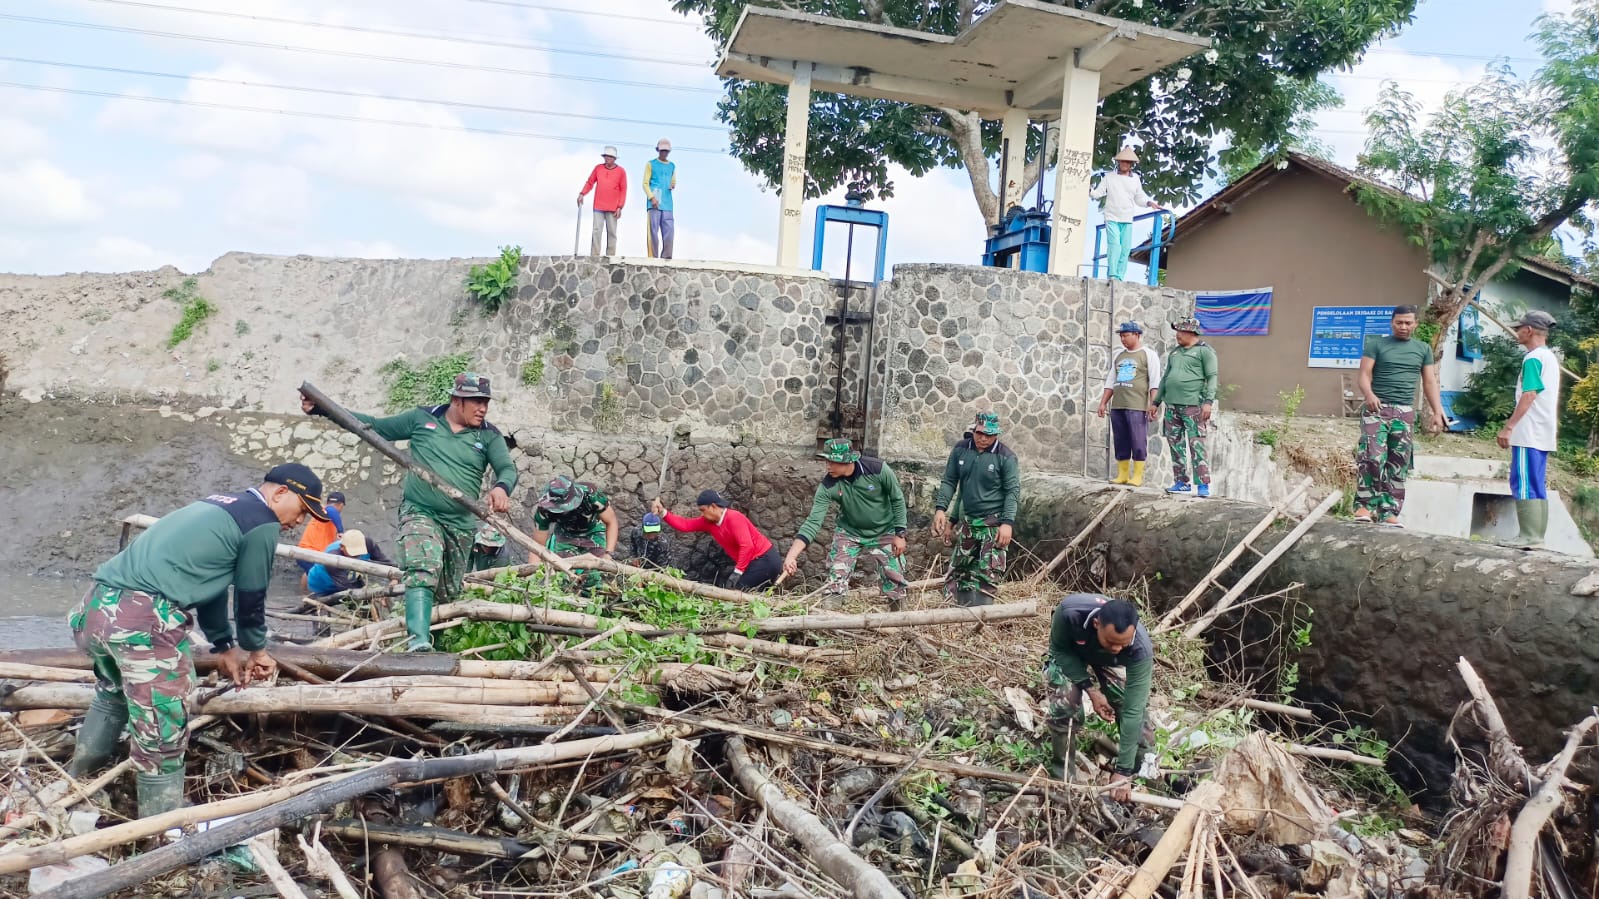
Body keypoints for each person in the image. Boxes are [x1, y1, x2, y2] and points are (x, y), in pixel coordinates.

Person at [66, 463, 329, 817]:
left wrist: (225, 646)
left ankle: (75, 788)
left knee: (113, 695)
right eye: (302, 511)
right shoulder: (261, 521)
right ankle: (158, 830)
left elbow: (210, 586)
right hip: (141, 620)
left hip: (96, 608)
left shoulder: (220, 506)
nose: (300, 522)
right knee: (162, 726)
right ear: (281, 493)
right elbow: (251, 596)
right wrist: (256, 649)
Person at [301, 373, 517, 652]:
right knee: (421, 566)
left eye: (485, 402)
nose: (483, 408)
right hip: (420, 511)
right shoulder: (422, 419)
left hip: (460, 524)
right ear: (456, 400)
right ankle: (418, 640)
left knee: (447, 591)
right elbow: (373, 426)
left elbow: (507, 469)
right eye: (476, 401)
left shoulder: (488, 435)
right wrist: (323, 409)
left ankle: (434, 649)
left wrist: (501, 487)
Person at [1043, 594, 1156, 800]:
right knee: (1066, 704)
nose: (1117, 648)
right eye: (1112, 641)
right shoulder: (1070, 613)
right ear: (1096, 624)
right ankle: (1062, 779)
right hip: (1071, 654)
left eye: (1123, 644)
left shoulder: (1140, 648)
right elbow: (1058, 650)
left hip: (1109, 663)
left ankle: (1142, 776)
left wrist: (1123, 771)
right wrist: (1090, 689)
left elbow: (1133, 709)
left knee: (1140, 725)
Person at [783, 438, 910, 610]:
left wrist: (900, 533)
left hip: (884, 531)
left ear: (848, 460)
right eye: (827, 461)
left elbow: (897, 498)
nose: (828, 466)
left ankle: (899, 618)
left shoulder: (878, 469)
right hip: (849, 532)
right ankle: (829, 619)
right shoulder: (828, 485)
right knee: (836, 578)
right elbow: (813, 522)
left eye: (833, 461)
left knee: (895, 578)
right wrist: (792, 556)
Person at [1354, 305, 1446, 526]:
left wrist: (1437, 411)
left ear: (1415, 324)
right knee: (1372, 457)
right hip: (1377, 409)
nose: (1403, 327)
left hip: (1404, 412)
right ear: (1392, 323)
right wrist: (1369, 394)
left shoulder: (1423, 348)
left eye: (1408, 323)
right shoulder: (1376, 344)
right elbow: (1364, 374)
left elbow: (1430, 381)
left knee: (1398, 462)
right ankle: (1364, 507)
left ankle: (1388, 512)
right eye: (1399, 322)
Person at [931, 412, 1021, 607]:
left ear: (996, 434)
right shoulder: (961, 450)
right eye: (979, 433)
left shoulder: (1006, 457)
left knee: (987, 572)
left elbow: (1012, 492)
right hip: (969, 522)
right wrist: (942, 511)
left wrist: (1007, 523)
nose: (983, 438)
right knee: (959, 569)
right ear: (973, 430)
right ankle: (958, 611)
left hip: (993, 524)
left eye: (988, 435)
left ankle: (981, 617)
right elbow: (951, 481)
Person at [1497, 310, 1561, 548]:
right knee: (1536, 481)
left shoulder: (1532, 358)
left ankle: (1529, 536)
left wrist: (1509, 426)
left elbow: (1530, 393)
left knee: (1523, 480)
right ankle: (1537, 537)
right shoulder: (1549, 357)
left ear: (1529, 330)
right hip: (1542, 431)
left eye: (1519, 328)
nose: (1516, 332)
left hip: (1528, 431)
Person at [653, 490, 784, 590]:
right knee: (745, 592)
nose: (702, 514)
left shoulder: (734, 518)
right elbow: (685, 525)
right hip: (754, 562)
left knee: (737, 592)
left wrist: (737, 572)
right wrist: (663, 512)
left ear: (713, 506)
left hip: (764, 559)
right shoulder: (708, 522)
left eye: (703, 510)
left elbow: (747, 546)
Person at [1156, 318, 1219, 497]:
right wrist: (1156, 402)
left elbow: (1212, 377)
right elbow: (1165, 378)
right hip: (1172, 406)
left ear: (1192, 333)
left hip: (1193, 406)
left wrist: (1208, 402)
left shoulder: (1205, 352)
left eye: (1180, 332)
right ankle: (1181, 482)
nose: (1177, 335)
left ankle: (1203, 485)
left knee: (1196, 444)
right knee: (1175, 444)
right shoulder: (1175, 353)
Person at [1097, 322, 1162, 487]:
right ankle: (1123, 474)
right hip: (1118, 405)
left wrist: (1153, 404)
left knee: (1138, 440)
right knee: (1120, 439)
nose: (1123, 338)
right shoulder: (1119, 355)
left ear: (1137, 335)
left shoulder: (1148, 354)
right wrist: (1103, 403)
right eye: (1121, 335)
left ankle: (1138, 475)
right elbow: (1111, 380)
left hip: (1137, 405)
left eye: (1126, 335)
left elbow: (1154, 382)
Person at [531, 475, 619, 594]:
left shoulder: (591, 496)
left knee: (596, 577)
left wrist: (608, 553)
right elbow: (537, 547)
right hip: (565, 535)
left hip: (593, 532)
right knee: (561, 576)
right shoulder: (544, 510)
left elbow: (611, 521)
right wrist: (533, 575)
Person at [1089, 147, 1164, 281]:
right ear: (1119, 162)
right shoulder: (1109, 177)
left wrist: (1149, 203)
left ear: (1131, 165)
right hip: (1112, 217)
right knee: (1115, 246)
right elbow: (1098, 193)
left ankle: (1119, 276)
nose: (1124, 164)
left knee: (1125, 249)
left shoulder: (1135, 179)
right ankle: (1112, 274)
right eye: (1122, 161)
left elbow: (1139, 198)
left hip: (1127, 218)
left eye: (1127, 162)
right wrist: (1089, 190)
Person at [305, 529, 396, 597]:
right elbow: (346, 589)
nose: (357, 556)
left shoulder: (368, 544)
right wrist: (373, 595)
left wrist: (394, 579)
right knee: (321, 611)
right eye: (353, 553)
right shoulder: (332, 558)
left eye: (359, 552)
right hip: (322, 583)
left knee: (366, 610)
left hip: (350, 578)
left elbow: (386, 564)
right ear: (342, 547)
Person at [578, 146, 627, 257]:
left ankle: (610, 256)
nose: (607, 159)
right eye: (606, 156)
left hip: (613, 207)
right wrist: (582, 193)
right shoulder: (598, 168)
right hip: (598, 206)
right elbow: (590, 182)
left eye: (610, 157)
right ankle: (594, 255)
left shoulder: (621, 171)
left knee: (612, 232)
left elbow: (623, 189)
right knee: (596, 231)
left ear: (614, 158)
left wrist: (620, 206)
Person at [295, 490, 345, 574]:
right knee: (321, 577)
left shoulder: (322, 513)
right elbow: (331, 510)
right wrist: (340, 531)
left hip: (304, 552)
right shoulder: (327, 511)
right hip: (311, 553)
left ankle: (305, 587)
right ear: (341, 505)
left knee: (310, 575)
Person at [643, 139, 677, 259]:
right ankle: (653, 257)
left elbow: (673, 180)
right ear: (658, 150)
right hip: (654, 202)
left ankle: (666, 257)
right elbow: (645, 183)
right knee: (653, 232)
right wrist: (651, 197)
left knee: (669, 232)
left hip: (667, 203)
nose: (664, 153)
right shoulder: (650, 164)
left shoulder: (672, 166)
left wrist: (673, 184)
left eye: (666, 151)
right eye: (662, 151)